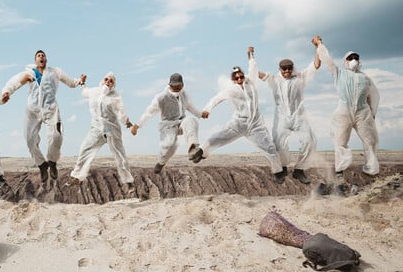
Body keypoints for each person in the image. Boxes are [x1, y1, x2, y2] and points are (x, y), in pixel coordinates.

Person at [1, 50, 86, 186]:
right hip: (33, 110)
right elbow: (15, 82)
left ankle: (52, 162)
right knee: (29, 139)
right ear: (35, 61)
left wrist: (79, 81)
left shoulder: (55, 72)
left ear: (46, 59)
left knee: (57, 137)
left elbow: (70, 82)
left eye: (43, 55)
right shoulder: (30, 74)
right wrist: (6, 92)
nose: (41, 57)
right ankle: (42, 165)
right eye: (38, 56)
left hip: (50, 108)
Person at [201, 48, 284, 183]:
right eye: (236, 77)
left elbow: (253, 67)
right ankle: (201, 152)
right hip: (239, 123)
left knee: (269, 147)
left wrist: (250, 55)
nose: (239, 79)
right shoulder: (231, 90)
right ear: (233, 79)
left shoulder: (251, 82)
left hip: (255, 124)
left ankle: (278, 172)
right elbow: (216, 99)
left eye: (241, 76)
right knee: (219, 137)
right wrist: (207, 110)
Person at [312, 35, 380, 177]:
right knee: (340, 140)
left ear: (359, 61)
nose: (353, 61)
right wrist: (319, 44)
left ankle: (371, 171)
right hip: (344, 111)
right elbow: (326, 59)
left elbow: (373, 95)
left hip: (363, 112)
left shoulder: (365, 78)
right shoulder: (339, 72)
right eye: (350, 58)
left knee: (371, 141)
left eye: (356, 58)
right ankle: (340, 171)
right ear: (345, 61)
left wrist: (372, 113)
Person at [257, 46, 321, 184]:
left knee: (309, 141)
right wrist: (250, 59)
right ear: (280, 69)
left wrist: (317, 47)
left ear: (292, 68)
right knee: (279, 143)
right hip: (282, 117)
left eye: (289, 68)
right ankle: (283, 168)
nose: (286, 71)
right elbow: (257, 74)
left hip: (299, 116)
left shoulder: (300, 77)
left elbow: (316, 65)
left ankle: (299, 170)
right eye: (284, 68)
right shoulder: (274, 79)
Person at [65, 72, 136, 196]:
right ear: (102, 80)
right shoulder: (94, 91)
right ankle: (76, 177)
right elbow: (85, 91)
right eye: (106, 79)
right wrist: (82, 83)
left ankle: (129, 182)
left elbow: (121, 112)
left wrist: (128, 123)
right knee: (84, 149)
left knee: (120, 155)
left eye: (111, 81)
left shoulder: (115, 96)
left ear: (113, 85)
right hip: (96, 129)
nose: (108, 82)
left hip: (112, 129)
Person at [131, 73, 205, 174]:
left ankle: (193, 150)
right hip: (167, 125)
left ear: (182, 85)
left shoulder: (184, 94)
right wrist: (137, 125)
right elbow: (149, 112)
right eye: (173, 86)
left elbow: (190, 106)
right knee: (170, 145)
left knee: (191, 120)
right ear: (169, 85)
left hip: (181, 122)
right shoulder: (161, 98)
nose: (175, 89)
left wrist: (200, 114)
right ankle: (161, 162)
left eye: (178, 86)